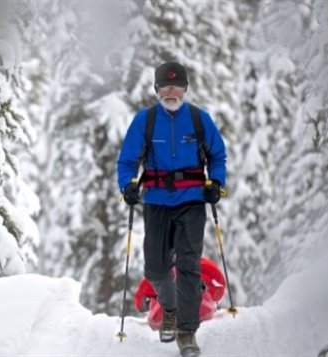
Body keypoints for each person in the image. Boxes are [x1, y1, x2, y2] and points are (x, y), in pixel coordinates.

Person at [116, 62, 227, 357]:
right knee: (155, 266)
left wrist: (217, 183)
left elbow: (218, 156)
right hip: (156, 203)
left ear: (186, 88)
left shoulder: (199, 119)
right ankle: (170, 309)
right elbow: (126, 161)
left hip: (192, 201)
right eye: (165, 85)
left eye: (176, 86)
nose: (171, 90)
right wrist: (127, 185)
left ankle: (186, 332)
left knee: (189, 266)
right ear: (156, 89)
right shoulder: (146, 121)